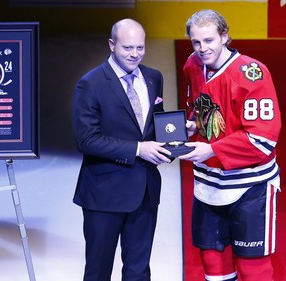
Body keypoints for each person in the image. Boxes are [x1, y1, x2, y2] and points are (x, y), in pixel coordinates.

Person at [179, 9, 281, 281]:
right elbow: (200, 109)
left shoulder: (252, 74)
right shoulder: (192, 65)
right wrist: (193, 124)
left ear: (224, 36)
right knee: (214, 266)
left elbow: (263, 139)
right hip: (207, 183)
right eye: (196, 42)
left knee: (253, 268)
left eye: (209, 40)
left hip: (251, 186)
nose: (202, 49)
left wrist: (212, 149)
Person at [72, 18, 172, 281]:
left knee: (139, 270)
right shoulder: (90, 84)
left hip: (146, 192)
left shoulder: (153, 77)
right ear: (112, 44)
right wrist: (138, 149)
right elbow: (87, 140)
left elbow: (154, 125)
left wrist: (176, 132)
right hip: (104, 194)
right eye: (128, 48)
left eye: (140, 48)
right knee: (98, 270)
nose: (135, 54)